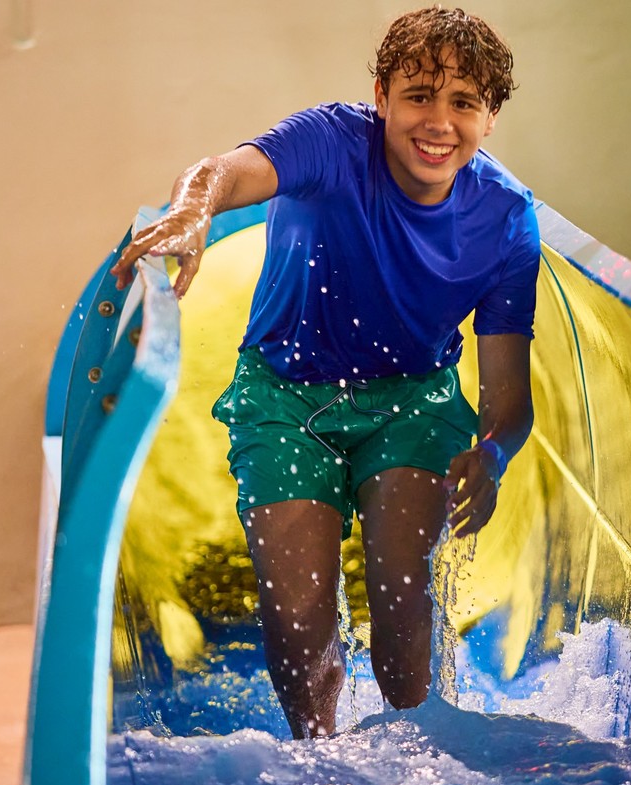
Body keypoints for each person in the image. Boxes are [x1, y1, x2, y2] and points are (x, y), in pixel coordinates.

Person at [110, 7, 539, 739]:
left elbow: (507, 394)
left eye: (463, 102)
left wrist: (491, 452)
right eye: (419, 95)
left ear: (490, 117)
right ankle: (318, 755)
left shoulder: (503, 219)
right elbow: (223, 171)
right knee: (297, 611)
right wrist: (191, 213)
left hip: (415, 401)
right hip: (283, 392)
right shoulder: (332, 142)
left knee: (403, 600)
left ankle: (414, 756)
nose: (438, 121)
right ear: (381, 95)